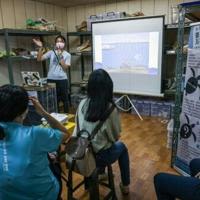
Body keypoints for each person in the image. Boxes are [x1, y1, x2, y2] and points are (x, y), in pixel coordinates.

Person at [0, 84, 70, 200]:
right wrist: (43, 112)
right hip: (43, 195)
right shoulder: (34, 134)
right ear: (23, 111)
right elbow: (66, 134)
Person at [73, 69, 130, 194]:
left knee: (98, 142)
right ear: (108, 87)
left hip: (79, 151)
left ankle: (100, 174)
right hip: (97, 157)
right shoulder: (110, 108)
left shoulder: (82, 103)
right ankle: (125, 185)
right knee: (122, 147)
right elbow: (115, 137)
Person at [33, 35, 71, 113]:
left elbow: (65, 68)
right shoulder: (51, 52)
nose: (59, 43)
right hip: (51, 78)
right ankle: (55, 116)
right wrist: (40, 47)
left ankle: (67, 115)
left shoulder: (67, 54)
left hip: (62, 79)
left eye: (61, 41)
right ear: (55, 43)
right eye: (57, 41)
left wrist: (60, 55)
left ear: (64, 43)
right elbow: (39, 59)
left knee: (65, 99)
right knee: (53, 99)